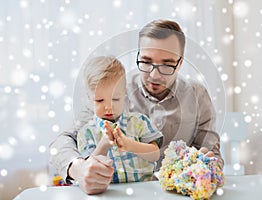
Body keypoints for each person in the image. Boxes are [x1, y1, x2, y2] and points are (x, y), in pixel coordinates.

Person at [49, 19, 224, 195]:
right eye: (146, 61)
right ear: (138, 55)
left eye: (166, 64)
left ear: (180, 63)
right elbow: (61, 142)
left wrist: (209, 166)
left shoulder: (197, 94)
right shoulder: (112, 89)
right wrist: (78, 168)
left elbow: (212, 153)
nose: (154, 75)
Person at [77, 56, 163, 184]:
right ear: (90, 99)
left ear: (124, 95)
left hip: (144, 190)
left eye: (115, 99)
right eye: (100, 100)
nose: (108, 107)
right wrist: (104, 145)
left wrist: (130, 145)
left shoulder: (139, 122)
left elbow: (155, 154)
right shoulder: (87, 132)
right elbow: (88, 169)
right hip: (108, 192)